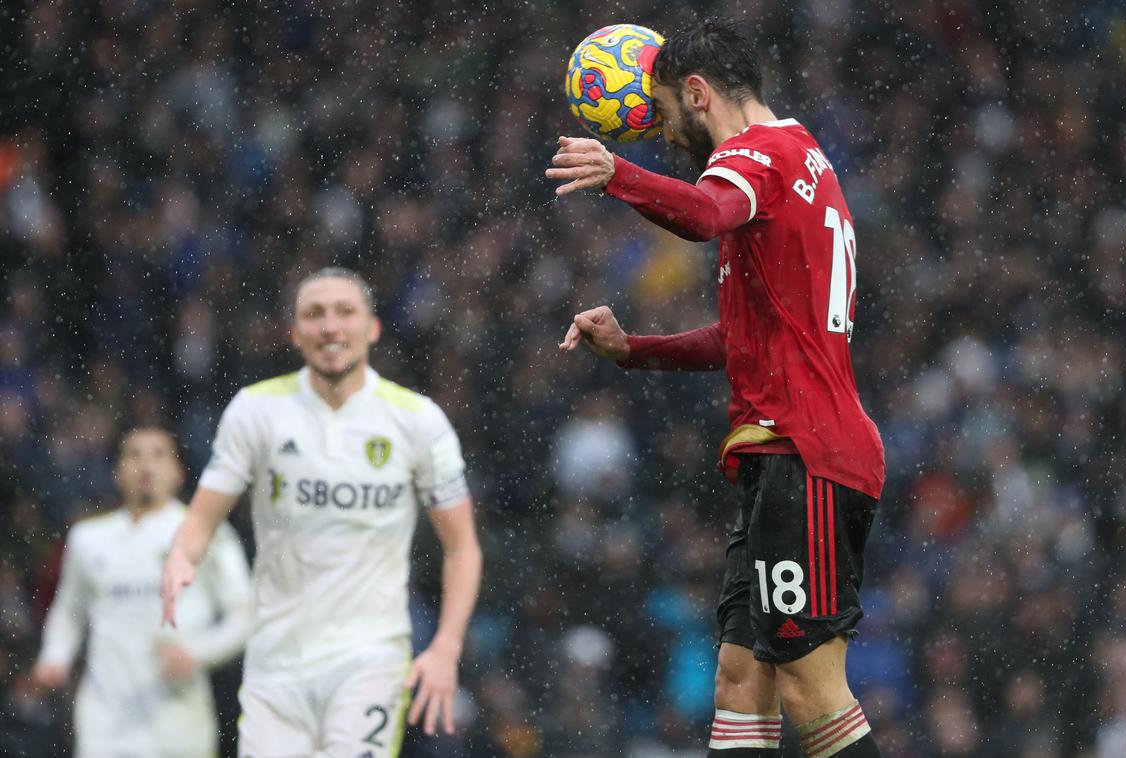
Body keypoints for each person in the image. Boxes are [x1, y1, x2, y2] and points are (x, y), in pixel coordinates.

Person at [548, 18, 886, 758]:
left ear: (697, 93)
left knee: (808, 685)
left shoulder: (756, 155)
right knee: (739, 681)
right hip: (786, 455)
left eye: (666, 115)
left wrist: (619, 176)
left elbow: (703, 214)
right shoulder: (802, 161)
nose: (667, 136)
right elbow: (741, 341)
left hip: (806, 453)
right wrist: (635, 350)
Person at [160, 267, 483, 758]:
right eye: (314, 315)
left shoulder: (418, 421)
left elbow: (461, 548)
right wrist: (182, 555)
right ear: (294, 333)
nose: (330, 326)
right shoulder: (256, 410)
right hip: (276, 662)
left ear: (372, 328)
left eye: (344, 312)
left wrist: (446, 648)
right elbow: (202, 519)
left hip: (370, 658)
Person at [33, 427, 253, 758]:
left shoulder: (206, 533)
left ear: (179, 471)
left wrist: (197, 653)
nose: (146, 465)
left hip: (179, 720)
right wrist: (54, 657)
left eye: (158, 454)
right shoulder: (88, 538)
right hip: (105, 719)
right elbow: (70, 610)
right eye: (134, 455)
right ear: (117, 471)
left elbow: (244, 615)